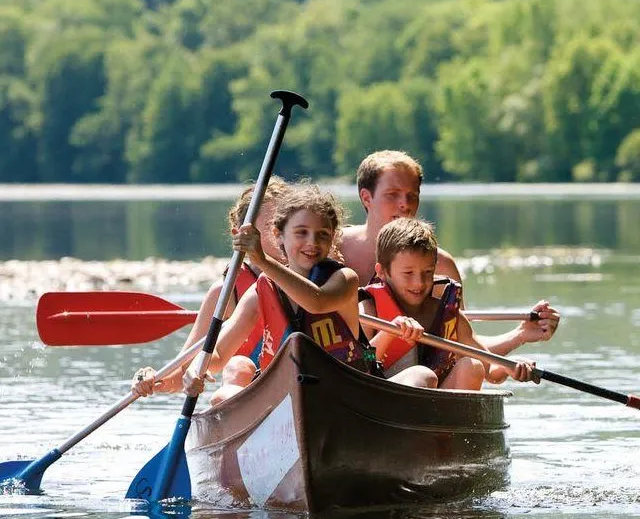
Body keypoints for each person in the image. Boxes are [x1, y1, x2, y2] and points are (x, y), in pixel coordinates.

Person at [339, 150, 560, 357]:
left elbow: (465, 346)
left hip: (411, 377)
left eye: (412, 195)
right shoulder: (331, 248)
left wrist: (520, 334)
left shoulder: (441, 265)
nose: (405, 205)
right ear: (366, 198)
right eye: (392, 195)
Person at [180, 184, 377, 399]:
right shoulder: (261, 291)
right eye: (301, 232)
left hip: (342, 391)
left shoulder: (344, 279)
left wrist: (262, 261)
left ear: (333, 237)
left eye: (322, 234)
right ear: (279, 234)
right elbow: (218, 353)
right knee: (223, 394)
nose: (312, 242)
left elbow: (316, 302)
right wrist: (197, 368)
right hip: (286, 395)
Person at [132, 177, 290, 401]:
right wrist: (151, 380)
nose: (280, 233)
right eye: (271, 226)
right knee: (238, 366)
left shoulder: (309, 278)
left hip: (300, 382)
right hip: (247, 391)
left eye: (285, 225)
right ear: (240, 235)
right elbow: (181, 374)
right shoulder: (224, 293)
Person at [360, 218, 538, 390]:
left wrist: (512, 367)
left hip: (436, 409)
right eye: (408, 273)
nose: (419, 283)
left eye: (428, 272)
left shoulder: (451, 318)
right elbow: (360, 363)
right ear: (382, 272)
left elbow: (490, 371)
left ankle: (448, 420)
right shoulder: (369, 309)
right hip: (384, 399)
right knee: (422, 375)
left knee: (472, 365)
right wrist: (387, 332)